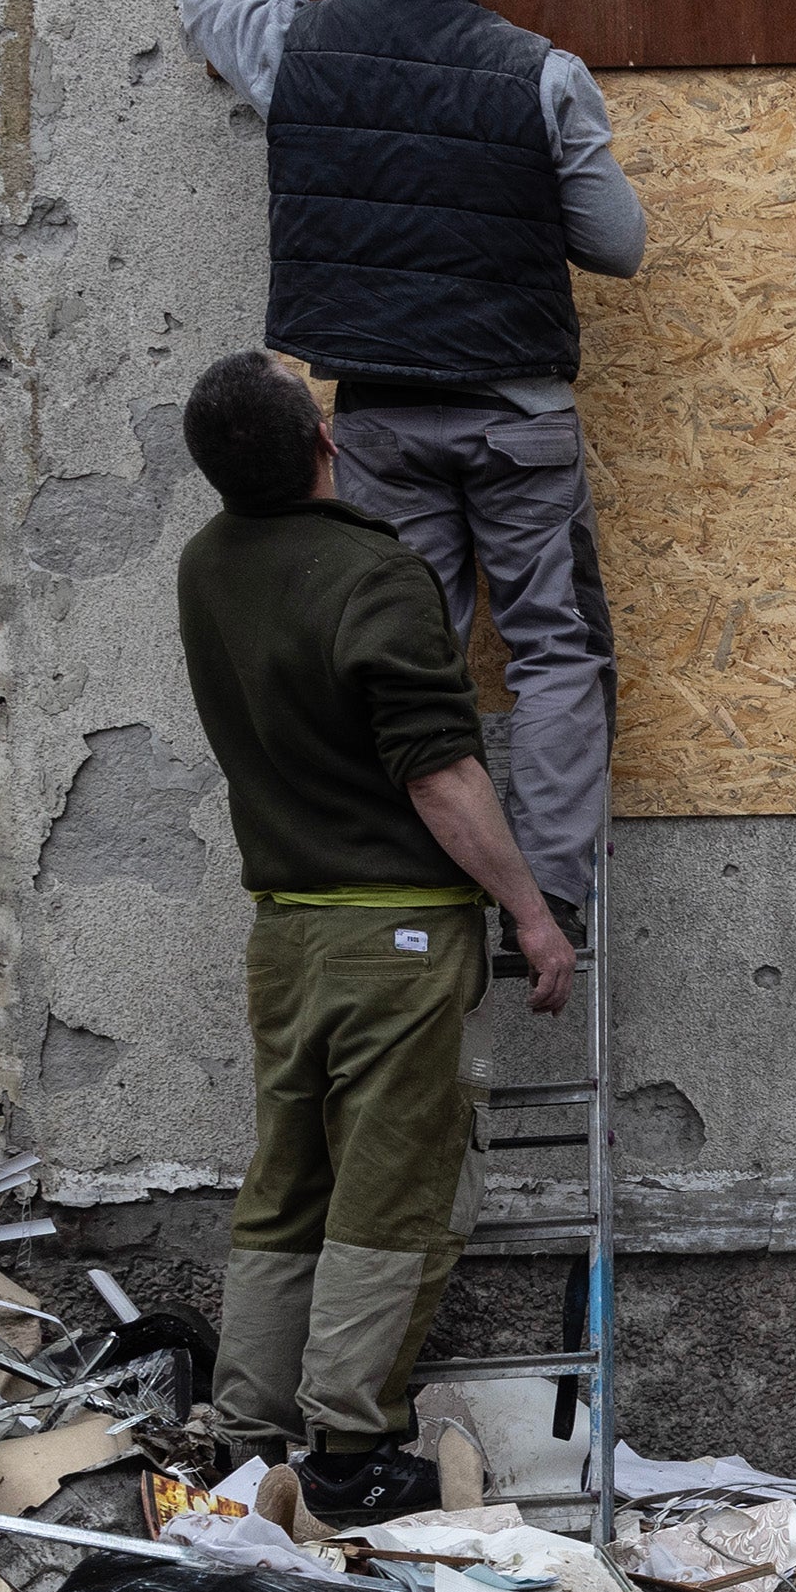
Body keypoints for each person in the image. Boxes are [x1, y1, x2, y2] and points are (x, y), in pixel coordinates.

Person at [183, 0, 646, 1008]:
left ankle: (433, 873)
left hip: (379, 420)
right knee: (553, 650)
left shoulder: (297, 44)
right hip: (517, 413)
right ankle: (554, 894)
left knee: (414, 654)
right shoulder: (541, 69)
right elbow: (618, 246)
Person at [171, 349, 571, 1528]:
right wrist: (530, 910)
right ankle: (347, 1447)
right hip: (390, 935)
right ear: (322, 445)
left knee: (287, 1183)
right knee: (396, 1194)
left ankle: (246, 1432)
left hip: (284, 935)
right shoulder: (376, 578)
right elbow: (441, 777)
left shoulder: (206, 567)